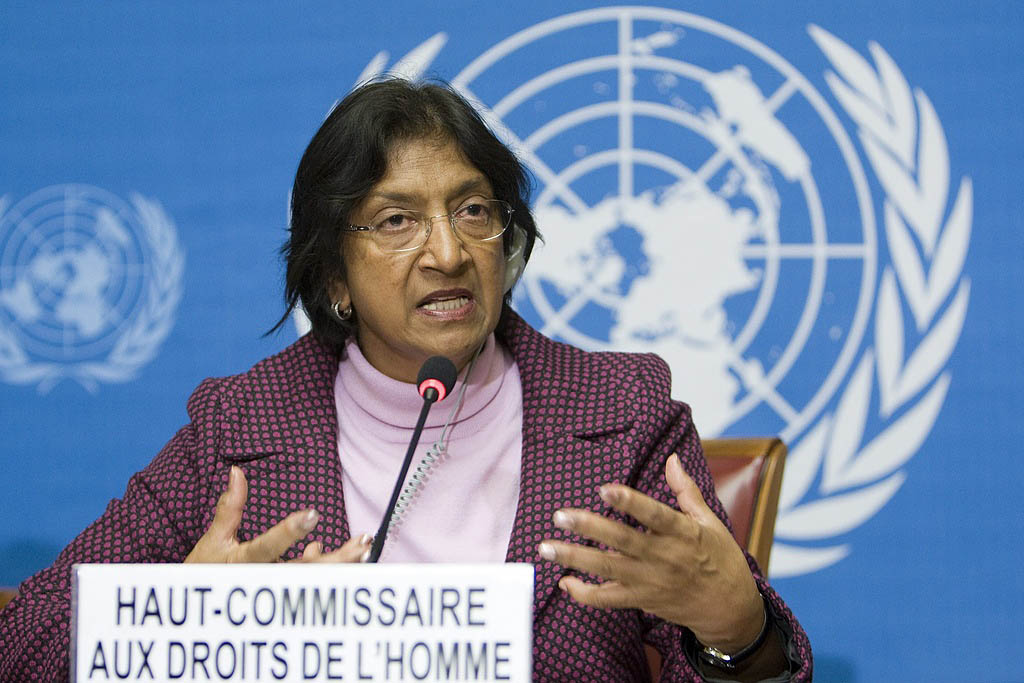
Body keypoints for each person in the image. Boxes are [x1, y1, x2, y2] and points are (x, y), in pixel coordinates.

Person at [0, 78, 811, 681]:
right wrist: (178, 619)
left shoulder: (622, 413)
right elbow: (24, 643)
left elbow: (750, 663)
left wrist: (735, 628)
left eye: (473, 210)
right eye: (397, 220)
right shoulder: (240, 427)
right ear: (334, 277)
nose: (449, 252)